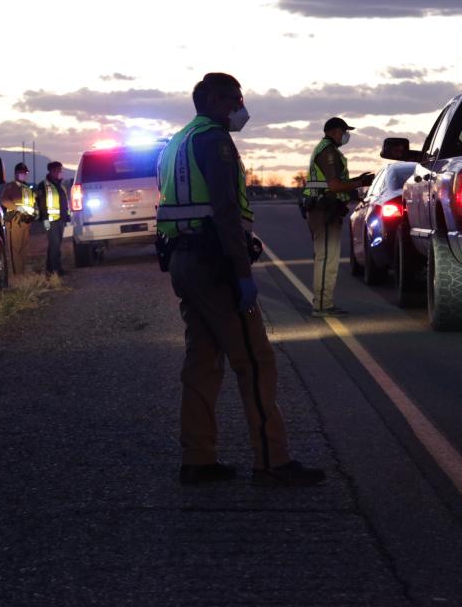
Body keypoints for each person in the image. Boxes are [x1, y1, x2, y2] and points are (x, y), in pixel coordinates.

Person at [156, 72, 325, 487]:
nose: (240, 107)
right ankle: (272, 462)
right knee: (254, 361)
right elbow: (226, 211)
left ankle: (198, 459)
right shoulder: (215, 141)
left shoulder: (175, 143)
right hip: (215, 265)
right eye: (235, 99)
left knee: (201, 361)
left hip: (183, 261)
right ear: (213, 99)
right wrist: (242, 273)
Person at [302, 117, 375, 317]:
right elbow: (334, 186)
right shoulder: (328, 152)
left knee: (326, 257)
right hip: (324, 210)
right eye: (344, 132)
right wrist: (360, 182)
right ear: (334, 132)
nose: (346, 135)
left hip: (324, 209)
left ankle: (323, 303)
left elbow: (333, 183)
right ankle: (322, 306)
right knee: (327, 258)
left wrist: (356, 180)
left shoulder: (328, 150)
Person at [0, 161, 36, 276]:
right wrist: (17, 208)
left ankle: (22, 273)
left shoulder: (27, 188)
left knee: (24, 249)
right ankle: (18, 275)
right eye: (21, 173)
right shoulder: (11, 187)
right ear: (16, 174)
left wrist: (34, 212)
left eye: (25, 173)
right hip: (15, 221)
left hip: (26, 221)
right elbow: (4, 200)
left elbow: (32, 204)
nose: (24, 175)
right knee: (15, 249)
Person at [36, 161, 69, 277]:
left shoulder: (61, 186)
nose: (61, 172)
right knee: (55, 245)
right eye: (59, 170)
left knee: (55, 244)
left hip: (60, 220)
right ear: (52, 171)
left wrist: (67, 217)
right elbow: (41, 203)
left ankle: (50, 269)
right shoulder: (43, 185)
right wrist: (44, 219)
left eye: (61, 170)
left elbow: (64, 203)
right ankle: (56, 270)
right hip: (49, 220)